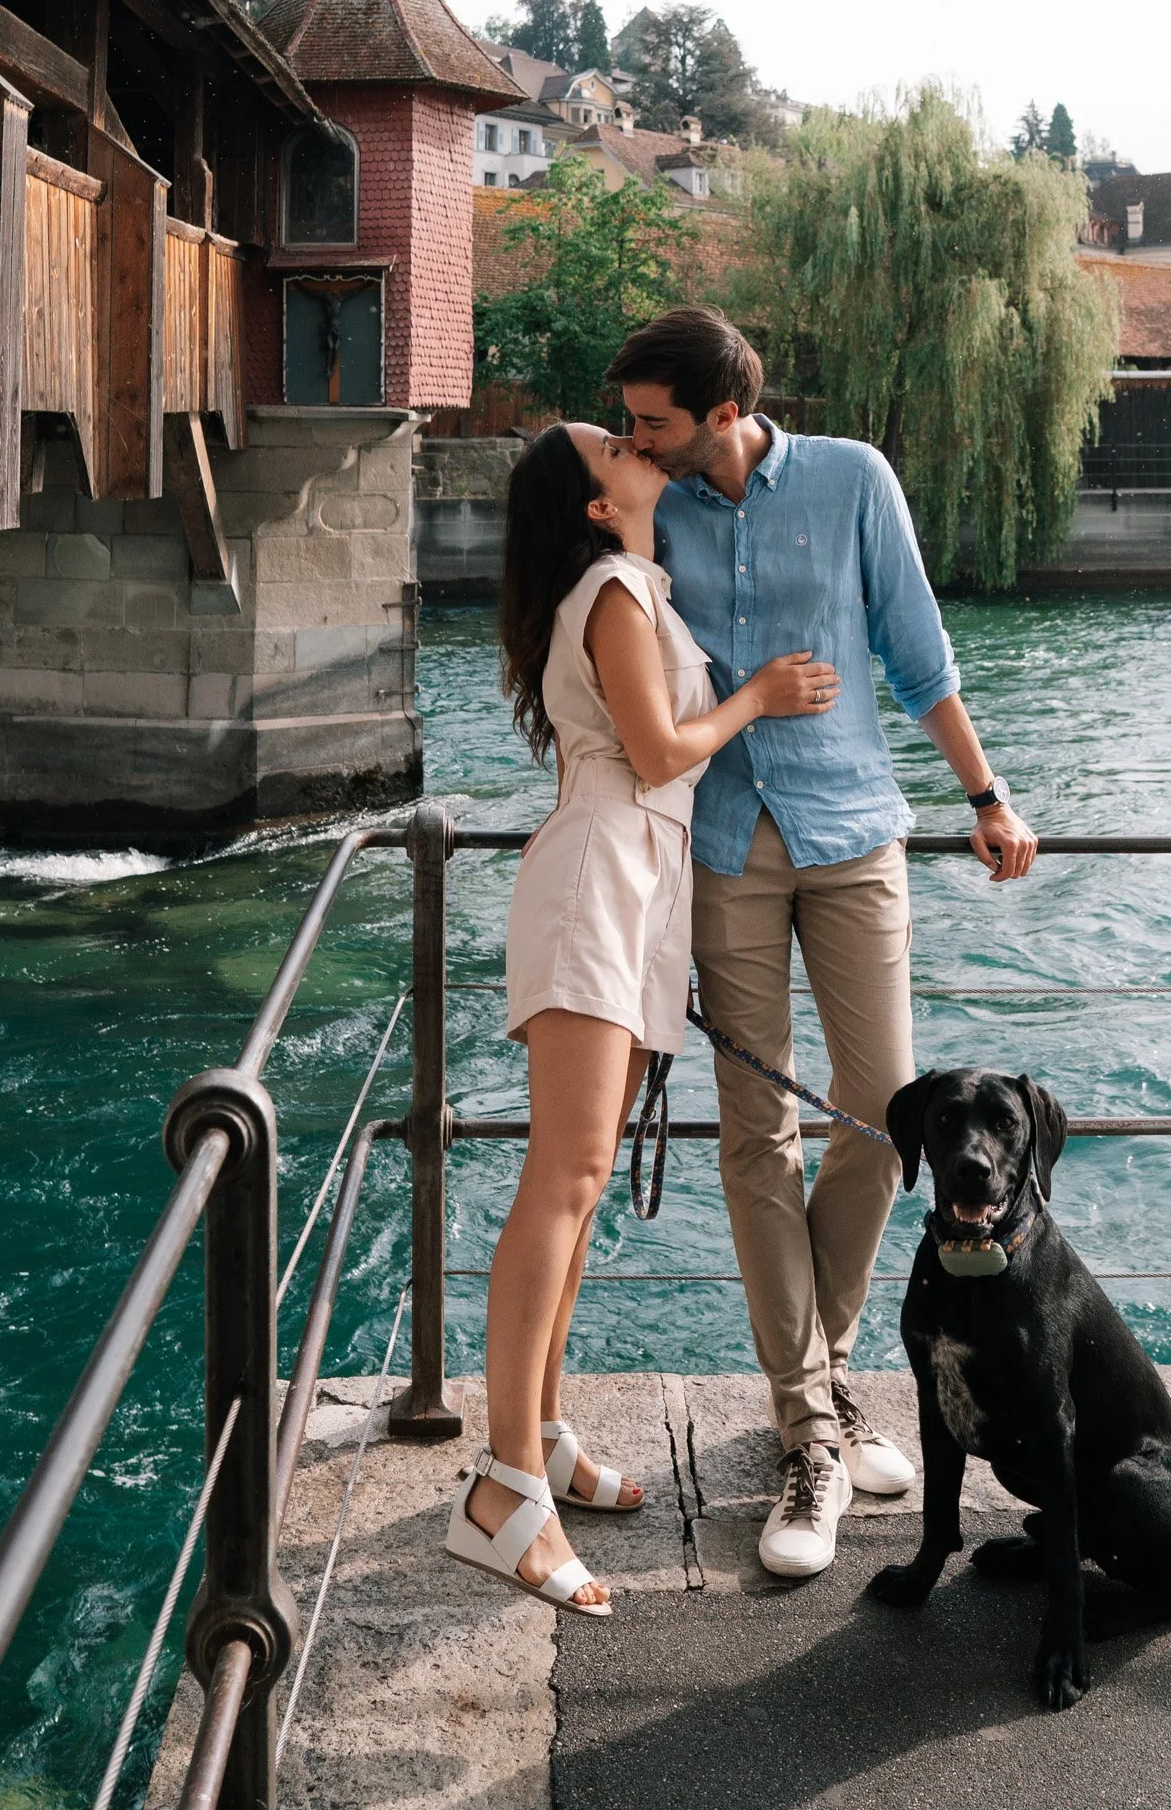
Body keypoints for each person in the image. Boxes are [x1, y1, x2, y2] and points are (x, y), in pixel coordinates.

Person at [607, 305, 1037, 1582]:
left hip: (853, 835)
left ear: (725, 412)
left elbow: (917, 656)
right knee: (756, 1132)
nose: (635, 439)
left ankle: (826, 1376)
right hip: (721, 844)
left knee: (879, 1111)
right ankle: (809, 1429)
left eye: (655, 421)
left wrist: (985, 798)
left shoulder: (852, 479)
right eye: (628, 423)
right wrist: (625, 485)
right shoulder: (650, 500)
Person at [447, 418, 840, 1616]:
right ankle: (504, 1491)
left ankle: (541, 1433)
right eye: (615, 446)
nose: (638, 448)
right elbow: (661, 753)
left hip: (632, 889)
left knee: (579, 1185)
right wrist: (758, 696)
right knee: (561, 1183)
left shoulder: (632, 590)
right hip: (598, 887)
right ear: (595, 503)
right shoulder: (615, 590)